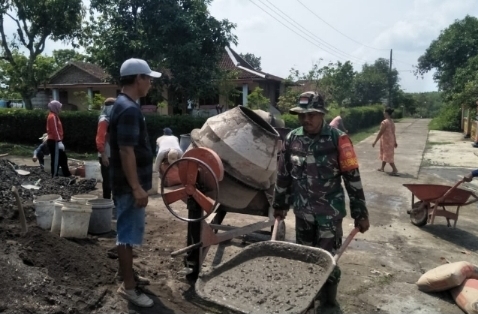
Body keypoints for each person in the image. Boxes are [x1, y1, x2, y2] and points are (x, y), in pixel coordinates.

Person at [272, 91, 370, 308]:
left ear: (322, 113)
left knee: (327, 260)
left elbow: (352, 178)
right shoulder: (292, 139)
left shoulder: (338, 139)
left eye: (312, 115)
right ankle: (306, 299)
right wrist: (279, 204)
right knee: (304, 257)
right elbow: (283, 175)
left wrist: (360, 213)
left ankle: (327, 302)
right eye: (302, 115)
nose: (306, 120)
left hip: (329, 215)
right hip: (303, 214)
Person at [109, 58, 161, 308]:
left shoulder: (122, 105)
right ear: (138, 78)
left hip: (124, 183)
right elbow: (126, 151)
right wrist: (137, 187)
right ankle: (129, 288)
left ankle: (129, 276)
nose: (150, 83)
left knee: (127, 234)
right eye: (149, 78)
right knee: (126, 236)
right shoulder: (129, 109)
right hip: (129, 185)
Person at [96, 98, 116, 199]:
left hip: (112, 154)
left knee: (113, 179)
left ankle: (112, 201)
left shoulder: (111, 120)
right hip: (106, 155)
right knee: (107, 180)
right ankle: (107, 201)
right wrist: (103, 155)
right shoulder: (103, 120)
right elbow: (100, 139)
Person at [46, 100, 72, 178]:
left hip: (56, 140)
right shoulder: (52, 117)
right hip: (54, 141)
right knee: (56, 160)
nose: (60, 109)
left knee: (63, 158)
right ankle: (54, 176)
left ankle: (67, 175)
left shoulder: (55, 115)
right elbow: (55, 130)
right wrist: (59, 141)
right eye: (59, 107)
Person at [372, 107, 399, 176]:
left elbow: (380, 133)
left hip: (386, 141)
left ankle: (395, 169)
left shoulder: (384, 122)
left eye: (384, 112)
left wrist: (375, 141)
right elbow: (393, 133)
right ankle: (382, 168)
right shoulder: (391, 121)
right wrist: (395, 141)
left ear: (386, 113)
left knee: (387, 155)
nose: (383, 113)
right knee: (385, 154)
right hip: (391, 140)